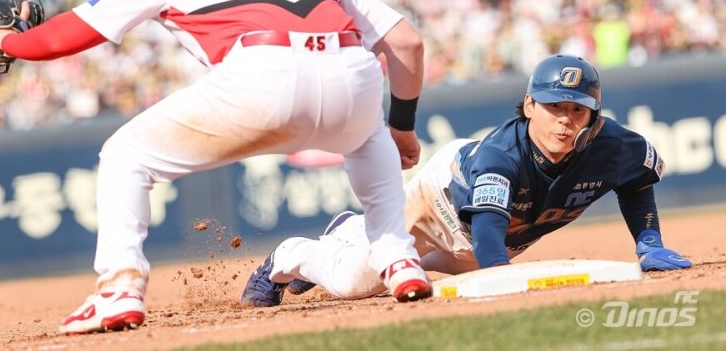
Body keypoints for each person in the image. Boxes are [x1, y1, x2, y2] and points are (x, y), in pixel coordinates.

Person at [0, 0, 432, 334]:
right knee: (370, 135)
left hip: (263, 73)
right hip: (350, 74)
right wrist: (402, 126)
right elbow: (406, 43)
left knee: (124, 157)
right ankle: (398, 258)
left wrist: (9, 40)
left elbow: (61, 37)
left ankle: (118, 291)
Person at [242, 54, 691, 305]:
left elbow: (636, 180)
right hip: (441, 203)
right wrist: (505, 284)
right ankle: (292, 255)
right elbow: (490, 244)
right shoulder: (502, 157)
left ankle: (352, 230)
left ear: (593, 115)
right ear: (530, 105)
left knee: (438, 276)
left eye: (578, 110)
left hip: (494, 236)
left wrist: (648, 241)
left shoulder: (614, 145)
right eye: (554, 107)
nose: (565, 121)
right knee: (356, 285)